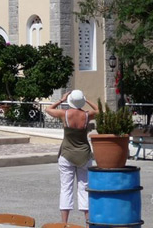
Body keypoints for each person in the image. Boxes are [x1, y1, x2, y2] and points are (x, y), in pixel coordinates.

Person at [46, 89, 99, 226]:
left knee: (66, 188)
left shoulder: (64, 114)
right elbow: (100, 110)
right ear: (81, 101)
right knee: (84, 188)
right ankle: (88, 223)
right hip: (84, 155)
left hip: (66, 154)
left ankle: (64, 223)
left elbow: (48, 109)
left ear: (70, 101)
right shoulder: (87, 116)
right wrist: (86, 100)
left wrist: (61, 100)